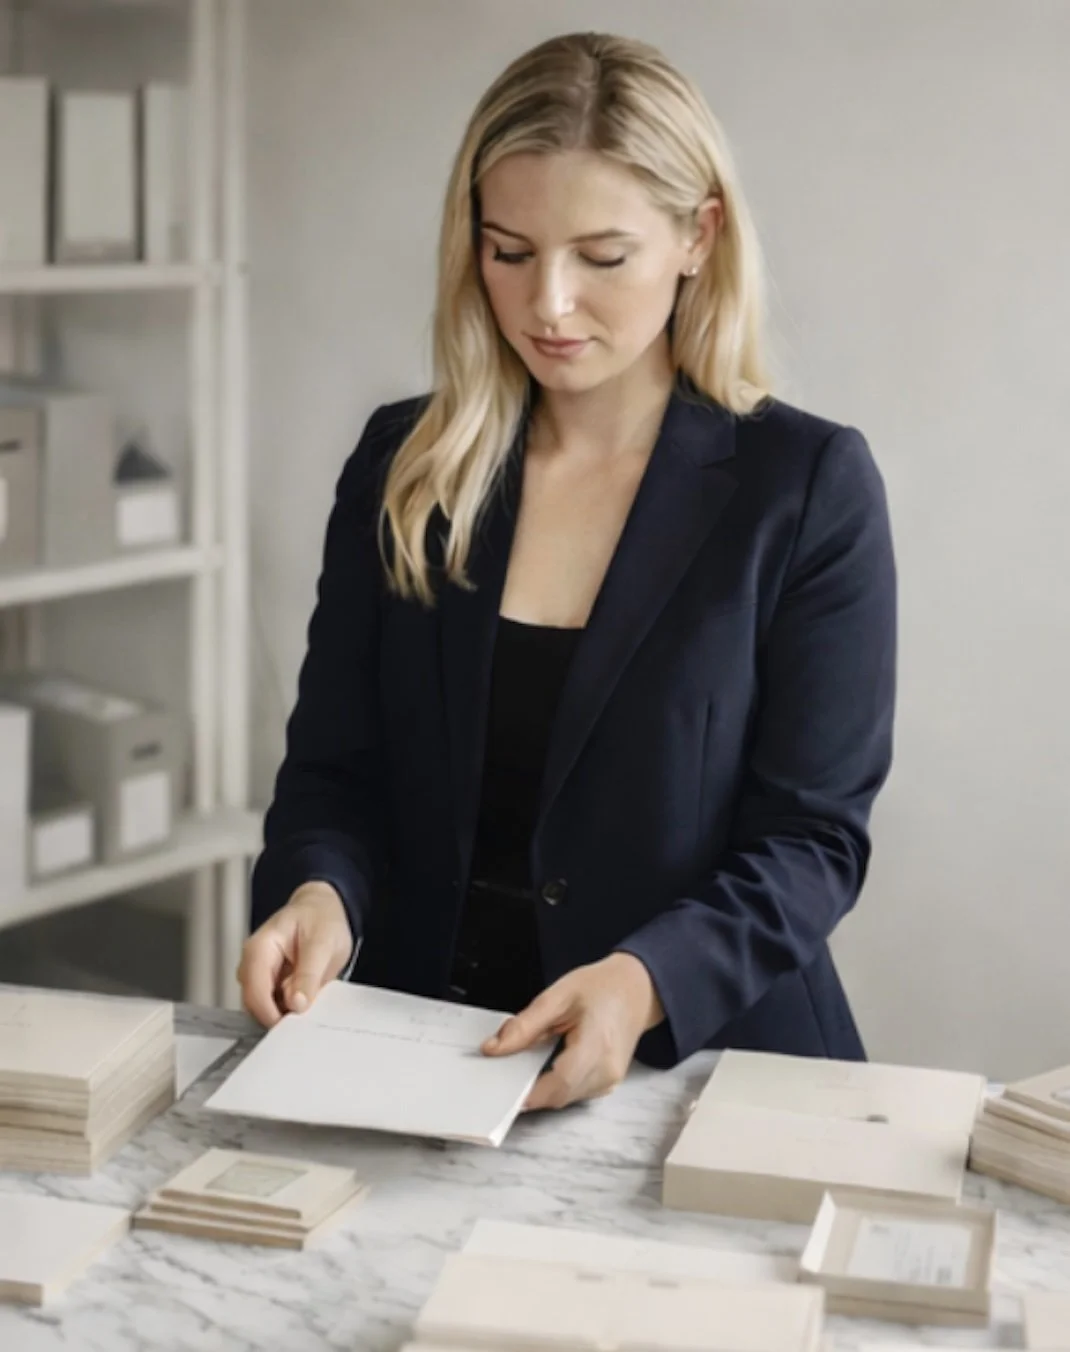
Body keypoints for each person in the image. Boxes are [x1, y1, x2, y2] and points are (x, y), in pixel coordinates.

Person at [239, 31, 896, 1112]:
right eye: (508, 250)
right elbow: (332, 774)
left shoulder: (805, 485)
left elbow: (810, 840)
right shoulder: (401, 463)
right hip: (428, 1058)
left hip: (705, 1073)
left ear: (696, 237)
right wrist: (320, 889)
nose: (547, 303)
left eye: (601, 258)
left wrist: (643, 981)